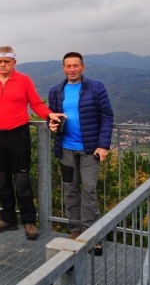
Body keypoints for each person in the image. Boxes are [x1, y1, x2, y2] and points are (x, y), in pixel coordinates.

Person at [0, 46, 63, 240]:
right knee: (1, 179)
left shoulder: (24, 80)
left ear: (14, 62)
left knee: (22, 180)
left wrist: (49, 115)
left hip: (18, 134)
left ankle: (29, 221)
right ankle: (8, 219)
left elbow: (36, 104)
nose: (3, 65)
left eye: (7, 61)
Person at [48, 52, 113, 256]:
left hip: (89, 150)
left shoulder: (96, 87)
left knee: (90, 191)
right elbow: (54, 117)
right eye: (68, 66)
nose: (72, 69)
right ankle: (75, 231)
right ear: (63, 68)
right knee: (70, 190)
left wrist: (103, 145)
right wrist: (52, 125)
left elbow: (107, 116)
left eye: (76, 65)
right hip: (66, 149)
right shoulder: (56, 91)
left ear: (82, 67)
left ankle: (91, 235)